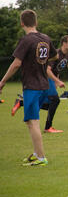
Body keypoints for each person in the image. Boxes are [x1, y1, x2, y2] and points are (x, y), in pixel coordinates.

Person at [0, 9, 57, 166]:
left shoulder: (26, 40)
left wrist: (3, 81)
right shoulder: (45, 38)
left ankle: (41, 158)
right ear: (36, 22)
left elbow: (16, 63)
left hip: (32, 87)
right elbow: (55, 55)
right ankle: (36, 152)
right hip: (44, 86)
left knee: (33, 122)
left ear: (22, 23)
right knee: (32, 121)